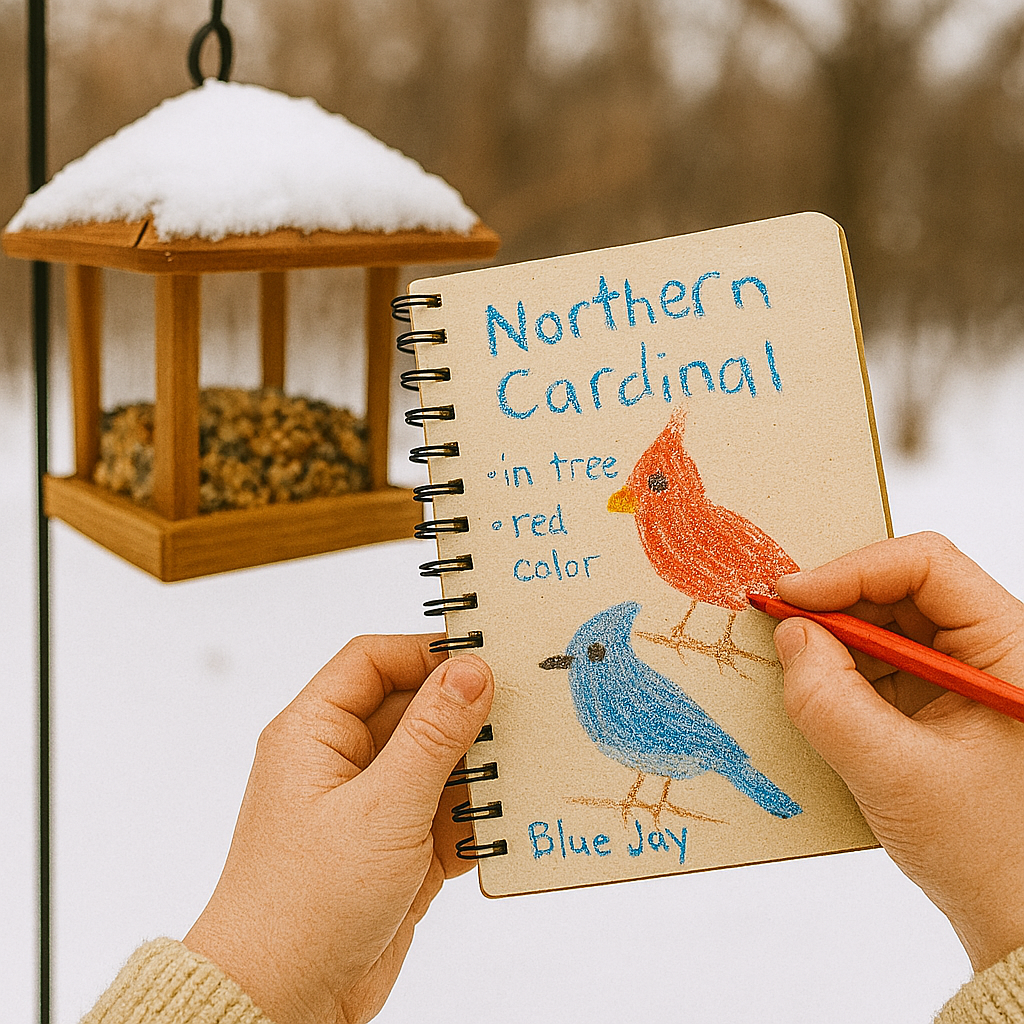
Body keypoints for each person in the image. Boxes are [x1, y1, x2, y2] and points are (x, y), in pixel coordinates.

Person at [82, 532, 1024, 1024]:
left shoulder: (631, 690)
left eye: (591, 655)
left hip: (710, 761)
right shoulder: (594, 689)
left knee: (679, 761)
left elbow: (682, 742)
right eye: (579, 656)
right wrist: (273, 972)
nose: (583, 669)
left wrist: (264, 979)